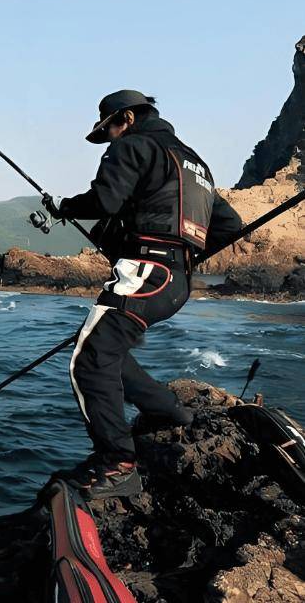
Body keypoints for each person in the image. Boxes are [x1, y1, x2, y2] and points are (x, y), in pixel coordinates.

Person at [42, 89, 243, 499]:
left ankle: (117, 463)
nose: (111, 138)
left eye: (110, 130)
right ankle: (168, 412)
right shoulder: (195, 164)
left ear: (127, 118)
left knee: (89, 359)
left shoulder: (134, 146)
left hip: (146, 273)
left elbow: (105, 200)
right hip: (176, 283)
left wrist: (63, 206)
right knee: (109, 351)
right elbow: (229, 226)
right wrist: (182, 247)